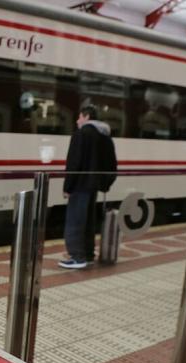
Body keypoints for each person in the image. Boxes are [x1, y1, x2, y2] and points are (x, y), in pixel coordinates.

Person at [59, 105, 117, 269]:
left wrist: (68, 186)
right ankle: (89, 254)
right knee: (88, 221)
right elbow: (111, 163)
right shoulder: (104, 136)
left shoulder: (81, 134)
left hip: (79, 184)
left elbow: (74, 162)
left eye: (79, 117)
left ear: (86, 116)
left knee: (75, 221)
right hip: (94, 186)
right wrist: (105, 184)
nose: (77, 121)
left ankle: (77, 257)